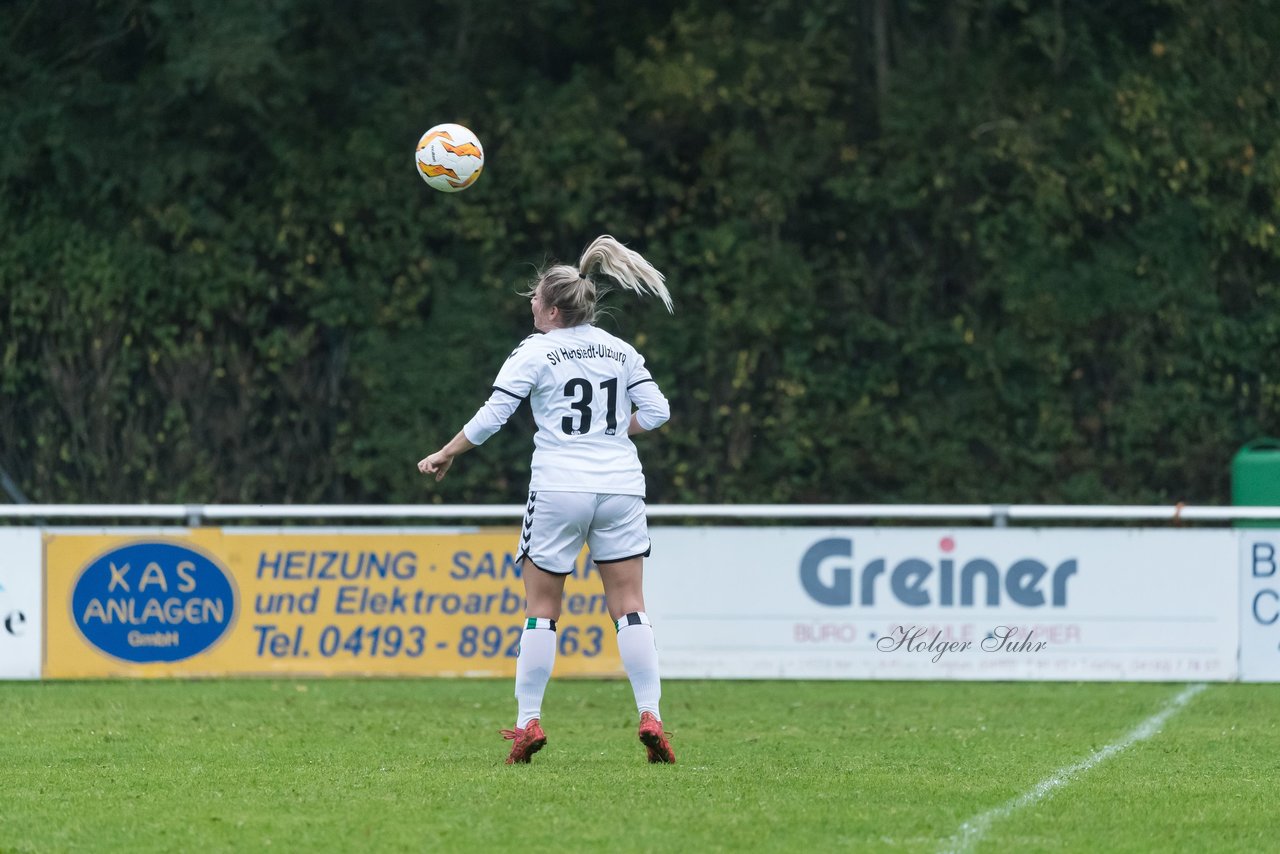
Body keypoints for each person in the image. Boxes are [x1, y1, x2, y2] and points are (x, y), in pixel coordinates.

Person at [417, 235, 676, 765]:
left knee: (542, 610)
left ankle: (528, 722)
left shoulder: (536, 351)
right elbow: (657, 413)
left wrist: (447, 452)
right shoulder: (620, 350)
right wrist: (611, 433)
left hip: (560, 487)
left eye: (534, 299)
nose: (530, 305)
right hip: (621, 486)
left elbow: (494, 415)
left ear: (553, 310)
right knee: (629, 608)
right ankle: (650, 714)